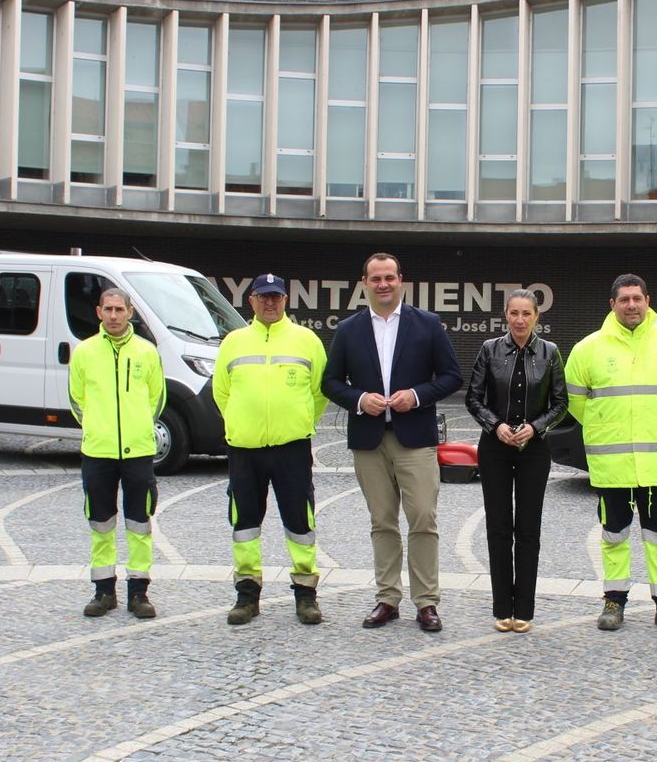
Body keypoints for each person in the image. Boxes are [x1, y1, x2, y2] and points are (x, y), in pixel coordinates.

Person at [322, 253, 462, 632]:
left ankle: (426, 602)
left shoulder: (428, 324)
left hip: (415, 439)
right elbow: (330, 382)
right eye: (375, 278)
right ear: (364, 283)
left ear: (401, 280)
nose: (383, 284)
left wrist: (416, 395)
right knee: (382, 522)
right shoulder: (349, 329)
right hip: (369, 440)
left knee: (423, 520)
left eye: (389, 277)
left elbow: (452, 376)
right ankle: (387, 599)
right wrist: (358, 399)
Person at [564, 274, 657, 633]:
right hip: (613, 463)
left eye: (637, 298)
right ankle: (614, 601)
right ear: (612, 305)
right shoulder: (587, 348)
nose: (631, 305)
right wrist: (608, 426)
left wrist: (655, 424)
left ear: (647, 300)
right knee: (614, 535)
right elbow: (576, 401)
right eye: (624, 299)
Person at [212, 273, 329, 627]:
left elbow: (319, 392)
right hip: (245, 450)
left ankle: (305, 594)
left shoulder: (306, 340)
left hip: (291, 448)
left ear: (285, 300)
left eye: (276, 297)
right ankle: (247, 594)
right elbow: (222, 392)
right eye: (263, 297)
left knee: (300, 522)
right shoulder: (233, 342)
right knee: (245, 522)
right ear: (251, 301)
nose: (269, 302)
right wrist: (240, 423)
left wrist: (299, 421)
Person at [464, 289, 568, 633]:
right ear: (505, 316)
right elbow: (473, 398)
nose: (520, 320)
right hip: (494, 448)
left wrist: (536, 428)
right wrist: (496, 426)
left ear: (537, 316)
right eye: (514, 313)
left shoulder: (550, 352)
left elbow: (560, 403)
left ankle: (524, 608)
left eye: (527, 313)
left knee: (527, 529)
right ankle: (501, 608)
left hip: (533, 452)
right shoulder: (489, 349)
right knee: (497, 528)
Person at [68, 287, 165, 619]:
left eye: (119, 309)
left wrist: (137, 427)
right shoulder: (84, 352)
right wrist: (98, 427)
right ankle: (104, 591)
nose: (113, 315)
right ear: (98, 312)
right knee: (100, 523)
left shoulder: (147, 352)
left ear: (130, 312)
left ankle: (139, 592)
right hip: (98, 452)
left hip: (137, 451)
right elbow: (76, 398)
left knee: (139, 524)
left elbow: (157, 399)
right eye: (107, 309)